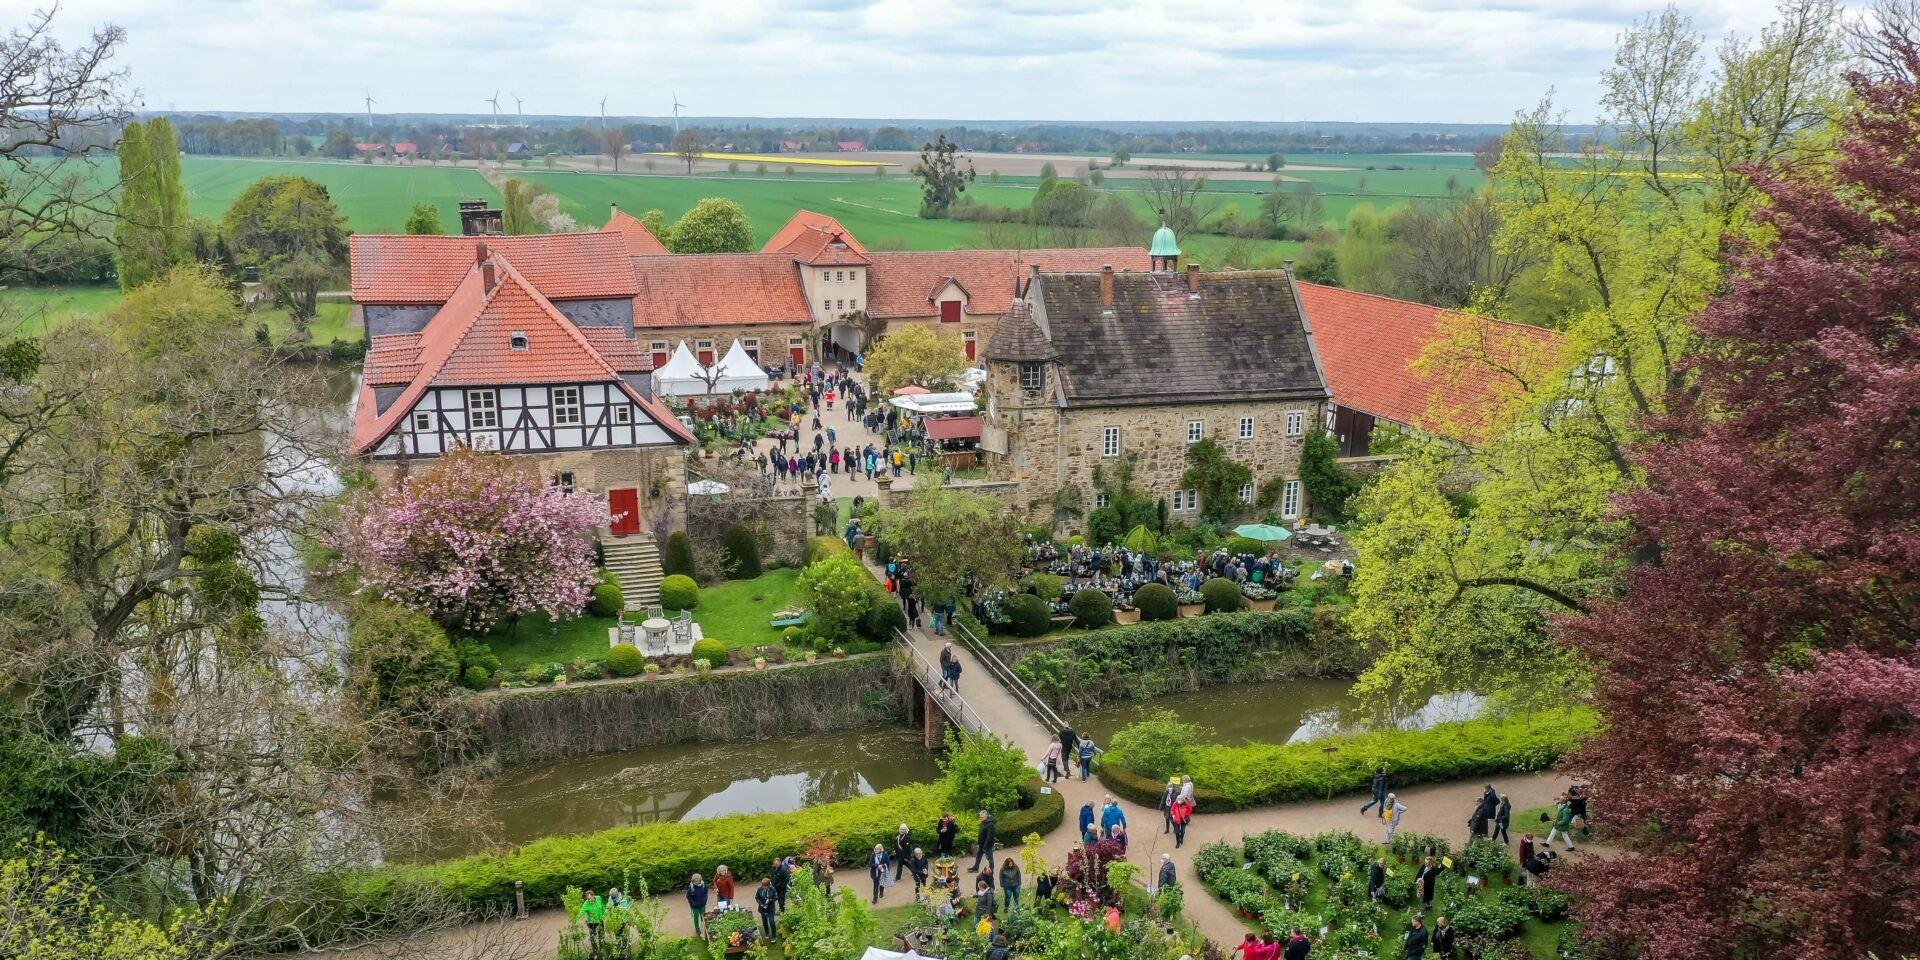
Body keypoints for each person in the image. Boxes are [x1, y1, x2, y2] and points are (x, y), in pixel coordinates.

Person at [579, 889, 606, 958]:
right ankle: (595, 950)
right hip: (592, 923)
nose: (589, 900)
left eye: (590, 898)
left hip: (600, 921)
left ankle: (602, 949)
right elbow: (581, 911)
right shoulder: (586, 904)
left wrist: (604, 914)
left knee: (601, 935)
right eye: (587, 898)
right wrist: (575, 918)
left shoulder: (599, 898)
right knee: (593, 937)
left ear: (593, 896)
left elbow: (602, 906)